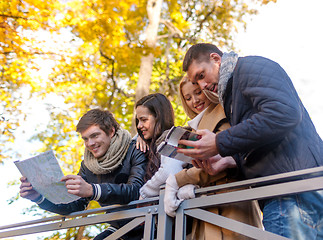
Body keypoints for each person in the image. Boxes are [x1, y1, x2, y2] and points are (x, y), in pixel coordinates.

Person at [176, 43, 323, 239]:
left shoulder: (249, 68)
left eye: (201, 75)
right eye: (196, 81)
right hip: (289, 190)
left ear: (216, 59)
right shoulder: (233, 90)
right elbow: (263, 136)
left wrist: (219, 141)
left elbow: (284, 113)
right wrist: (229, 160)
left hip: (291, 191)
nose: (202, 86)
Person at [19, 108, 148, 240]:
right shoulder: (87, 165)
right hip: (118, 228)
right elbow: (74, 205)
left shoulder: (135, 148)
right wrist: (38, 197)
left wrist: (92, 190)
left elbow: (137, 190)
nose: (90, 144)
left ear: (111, 131)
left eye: (95, 136)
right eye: (85, 139)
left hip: (146, 225)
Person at [164, 75, 262, 240]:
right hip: (207, 210)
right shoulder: (194, 127)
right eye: (188, 98)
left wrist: (178, 180)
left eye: (198, 93)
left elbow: (218, 162)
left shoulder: (224, 114)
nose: (194, 101)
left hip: (232, 207)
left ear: (206, 89)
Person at [135, 93, 187, 199]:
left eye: (144, 120)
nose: (139, 126)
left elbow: (169, 171)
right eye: (138, 121)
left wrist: (143, 194)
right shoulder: (151, 143)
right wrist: (138, 137)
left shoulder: (173, 138)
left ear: (159, 117)